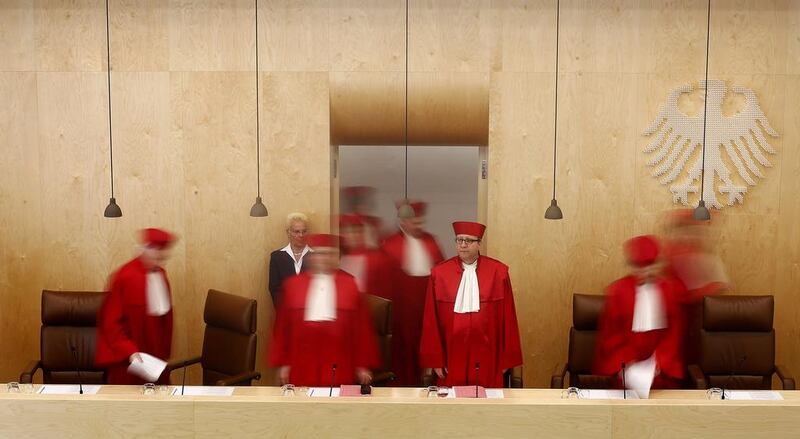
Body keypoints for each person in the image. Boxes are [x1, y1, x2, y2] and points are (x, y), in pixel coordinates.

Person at [419, 221, 522, 388]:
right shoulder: (439, 274)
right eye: (459, 240)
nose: (463, 245)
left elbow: (508, 318)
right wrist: (436, 359)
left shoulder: (498, 272)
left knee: (486, 401)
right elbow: (431, 320)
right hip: (452, 353)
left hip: (488, 353)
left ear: (479, 243)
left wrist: (506, 359)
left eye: (469, 240)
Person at [269, 234, 380, 387]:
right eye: (319, 253)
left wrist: (362, 365)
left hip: (339, 362)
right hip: (302, 362)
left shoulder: (350, 285)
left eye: (329, 254)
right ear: (311, 257)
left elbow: (362, 329)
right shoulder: (293, 285)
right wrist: (284, 363)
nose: (324, 258)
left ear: (336, 257)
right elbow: (283, 328)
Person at [593, 235, 686, 389]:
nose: (644, 271)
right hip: (627, 372)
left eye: (649, 265)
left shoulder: (669, 291)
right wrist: (627, 366)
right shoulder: (618, 291)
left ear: (657, 264)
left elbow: (673, 335)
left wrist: (659, 364)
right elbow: (611, 336)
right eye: (638, 266)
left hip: (661, 372)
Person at [95, 228, 177, 384]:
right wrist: (130, 352)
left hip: (155, 362)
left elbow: (164, 321)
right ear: (145, 249)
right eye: (156, 251)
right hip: (129, 362)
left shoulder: (161, 275)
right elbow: (110, 323)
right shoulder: (125, 277)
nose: (159, 257)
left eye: (162, 253)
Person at [381, 200, 444, 386]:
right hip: (401, 312)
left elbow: (441, 273)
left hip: (426, 309)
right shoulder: (389, 244)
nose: (418, 225)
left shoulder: (431, 241)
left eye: (421, 221)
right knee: (401, 351)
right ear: (402, 221)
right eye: (414, 222)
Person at [338, 214, 394, 299]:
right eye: (346, 232)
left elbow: (385, 293)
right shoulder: (338, 257)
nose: (351, 236)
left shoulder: (378, 258)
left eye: (355, 231)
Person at [268, 212, 311, 306]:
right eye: (297, 231)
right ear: (288, 232)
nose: (301, 235)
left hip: (311, 313)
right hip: (286, 313)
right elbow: (274, 290)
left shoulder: (315, 256)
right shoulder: (277, 257)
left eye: (304, 231)